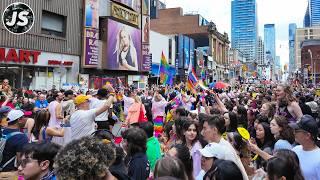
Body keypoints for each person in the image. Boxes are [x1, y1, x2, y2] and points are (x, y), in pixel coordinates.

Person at [201, 115, 249, 180]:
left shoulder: (226, 150)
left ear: (215, 130)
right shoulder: (211, 145)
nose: (202, 132)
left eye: (205, 128)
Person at [290, 115, 320, 179]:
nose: (294, 133)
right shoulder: (295, 150)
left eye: (296, 131)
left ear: (307, 135)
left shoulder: (318, 158)